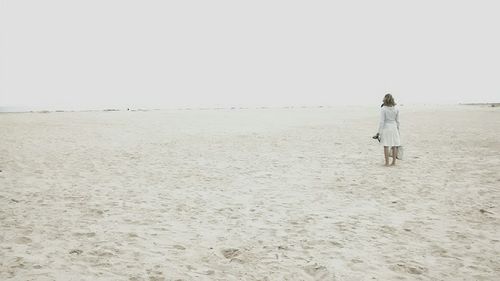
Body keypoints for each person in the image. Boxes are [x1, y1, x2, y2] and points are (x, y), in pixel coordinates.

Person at [377, 94, 401, 166]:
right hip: (394, 127)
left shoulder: (383, 108)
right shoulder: (396, 108)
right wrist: (398, 129)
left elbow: (382, 121)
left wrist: (379, 132)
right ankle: (393, 162)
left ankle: (387, 163)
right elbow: (398, 121)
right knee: (394, 145)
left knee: (386, 145)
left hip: (386, 127)